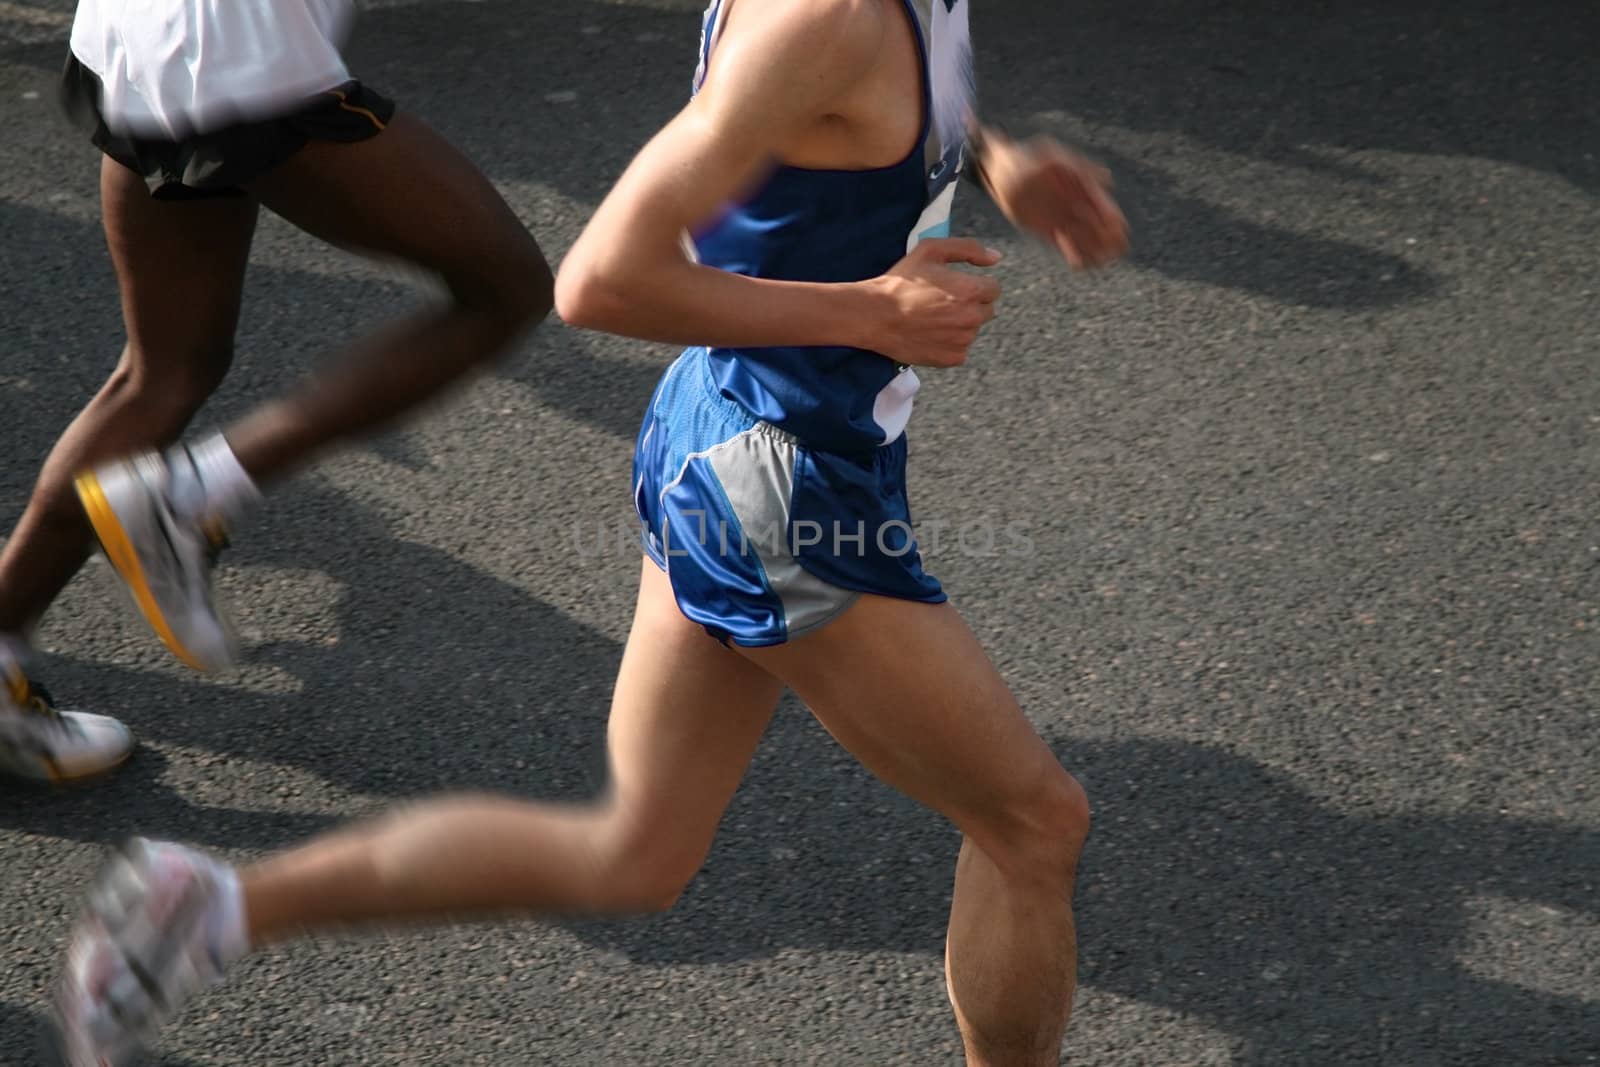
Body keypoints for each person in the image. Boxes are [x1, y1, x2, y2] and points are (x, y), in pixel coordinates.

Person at [54, 0, 1127, 1063]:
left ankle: (212, 907)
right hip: (774, 481)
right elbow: (601, 278)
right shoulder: (826, 19)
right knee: (1034, 822)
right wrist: (871, 313)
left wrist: (990, 160)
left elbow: (838, 121)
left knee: (634, 854)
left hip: (741, 443)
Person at [0, 0, 553, 785]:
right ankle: (186, 502)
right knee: (505, 288)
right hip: (237, 52)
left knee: (166, 368)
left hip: (133, 36)